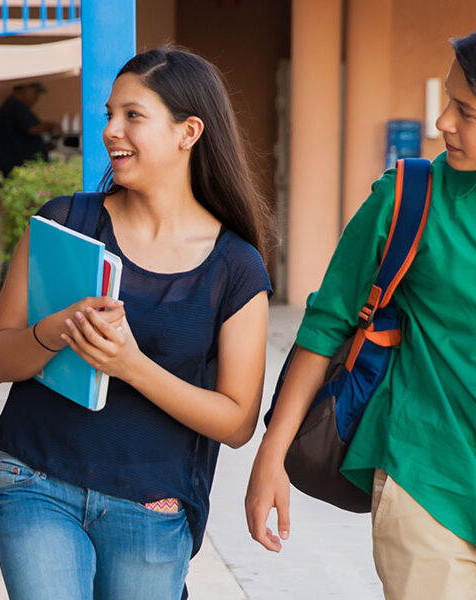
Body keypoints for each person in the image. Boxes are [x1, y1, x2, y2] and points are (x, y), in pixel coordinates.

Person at [0, 46, 273, 599]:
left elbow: (236, 422)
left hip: (152, 506)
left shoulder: (235, 267)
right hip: (35, 480)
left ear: (189, 132)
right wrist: (54, 331)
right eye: (110, 114)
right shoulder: (65, 222)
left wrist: (131, 366)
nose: (112, 131)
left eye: (133, 116)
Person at [245, 31, 476, 600]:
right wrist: (272, 452)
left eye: (466, 111)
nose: (442, 122)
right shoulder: (408, 198)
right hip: (427, 481)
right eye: (447, 102)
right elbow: (326, 326)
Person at [0, 82, 62, 176]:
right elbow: (32, 129)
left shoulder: (14, 106)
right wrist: (51, 126)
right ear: (25, 88)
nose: (37, 98)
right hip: (20, 168)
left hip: (22, 167)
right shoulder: (16, 106)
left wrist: (45, 147)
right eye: (36, 93)